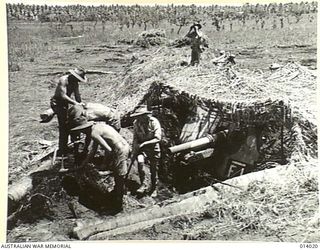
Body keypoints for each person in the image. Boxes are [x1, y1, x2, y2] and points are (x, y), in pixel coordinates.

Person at [69, 117, 130, 213]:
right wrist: (83, 164)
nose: (82, 133)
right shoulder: (99, 127)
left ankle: (119, 204)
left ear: (84, 129)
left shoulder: (94, 133)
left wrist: (104, 164)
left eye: (81, 130)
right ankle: (118, 194)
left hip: (120, 150)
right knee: (117, 173)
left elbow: (108, 150)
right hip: (124, 146)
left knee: (119, 175)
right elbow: (93, 150)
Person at [50, 68, 87, 156]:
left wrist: (80, 103)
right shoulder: (64, 80)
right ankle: (62, 149)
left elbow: (77, 95)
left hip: (66, 104)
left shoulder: (75, 83)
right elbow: (63, 95)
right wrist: (75, 103)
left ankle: (72, 145)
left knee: (72, 123)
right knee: (64, 126)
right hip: (58, 103)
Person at [131, 105, 162, 197]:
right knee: (140, 162)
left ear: (145, 115)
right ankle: (143, 184)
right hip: (142, 149)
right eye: (137, 116)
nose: (138, 118)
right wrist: (134, 149)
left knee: (153, 169)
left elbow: (158, 138)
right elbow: (135, 137)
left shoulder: (154, 122)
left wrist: (145, 143)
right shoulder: (136, 123)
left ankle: (154, 188)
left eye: (140, 116)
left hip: (153, 149)